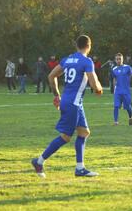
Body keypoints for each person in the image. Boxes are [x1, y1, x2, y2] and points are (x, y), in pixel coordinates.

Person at [31, 35, 103, 178]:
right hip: (73, 104)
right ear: (89, 46)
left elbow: (51, 76)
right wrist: (99, 89)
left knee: (84, 132)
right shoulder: (86, 61)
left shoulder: (67, 59)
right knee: (65, 137)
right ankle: (39, 161)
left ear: (76, 46)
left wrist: (56, 95)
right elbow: (95, 85)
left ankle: (80, 168)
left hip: (70, 101)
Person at [112, 53, 132, 125]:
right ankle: (116, 122)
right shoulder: (114, 69)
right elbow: (114, 79)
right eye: (117, 59)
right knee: (116, 106)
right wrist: (114, 89)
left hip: (126, 91)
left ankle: (130, 117)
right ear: (115, 60)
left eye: (120, 59)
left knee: (128, 107)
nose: (118, 60)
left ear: (122, 59)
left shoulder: (128, 67)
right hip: (118, 91)